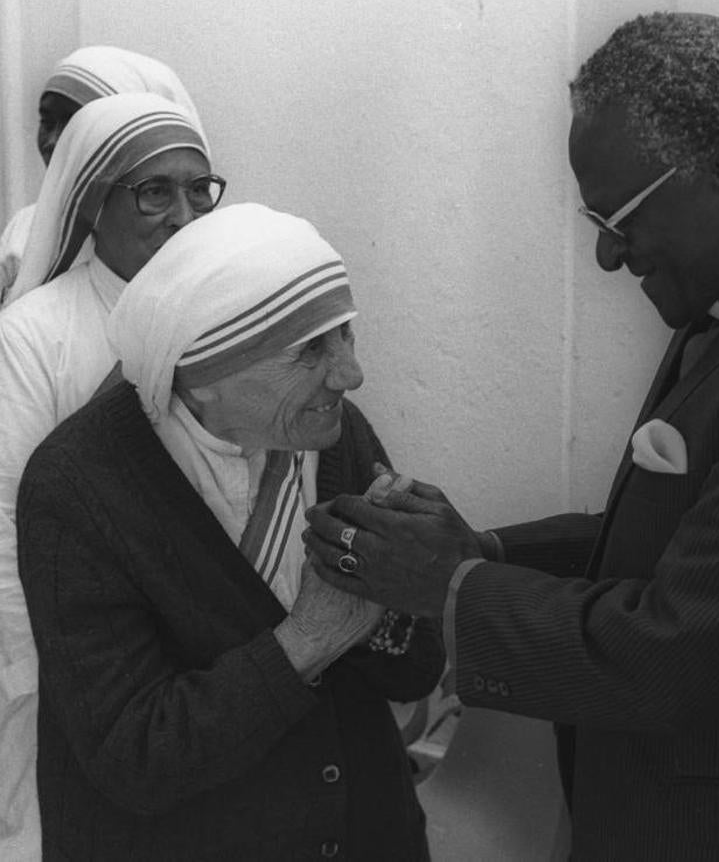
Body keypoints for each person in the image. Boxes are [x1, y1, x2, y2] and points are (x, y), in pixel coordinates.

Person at [305, 11, 719, 860]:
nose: (607, 258)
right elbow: (702, 539)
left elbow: (682, 650)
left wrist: (445, 589)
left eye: (619, 221)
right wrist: (483, 550)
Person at [16, 203, 442, 861]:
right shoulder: (79, 490)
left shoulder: (334, 437)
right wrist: (304, 641)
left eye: (346, 335)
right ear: (205, 372)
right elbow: (134, 756)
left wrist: (412, 584)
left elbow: (411, 672)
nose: (350, 374)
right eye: (309, 351)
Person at [0, 92, 219, 861]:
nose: (184, 213)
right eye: (154, 191)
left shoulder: (225, 315)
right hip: (80, 671)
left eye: (200, 190)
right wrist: (45, 683)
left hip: (207, 666)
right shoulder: (34, 336)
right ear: (92, 204)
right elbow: (7, 528)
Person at [0, 45, 204, 306]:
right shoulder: (24, 228)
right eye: (48, 121)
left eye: (78, 125)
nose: (53, 141)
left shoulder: (190, 236)